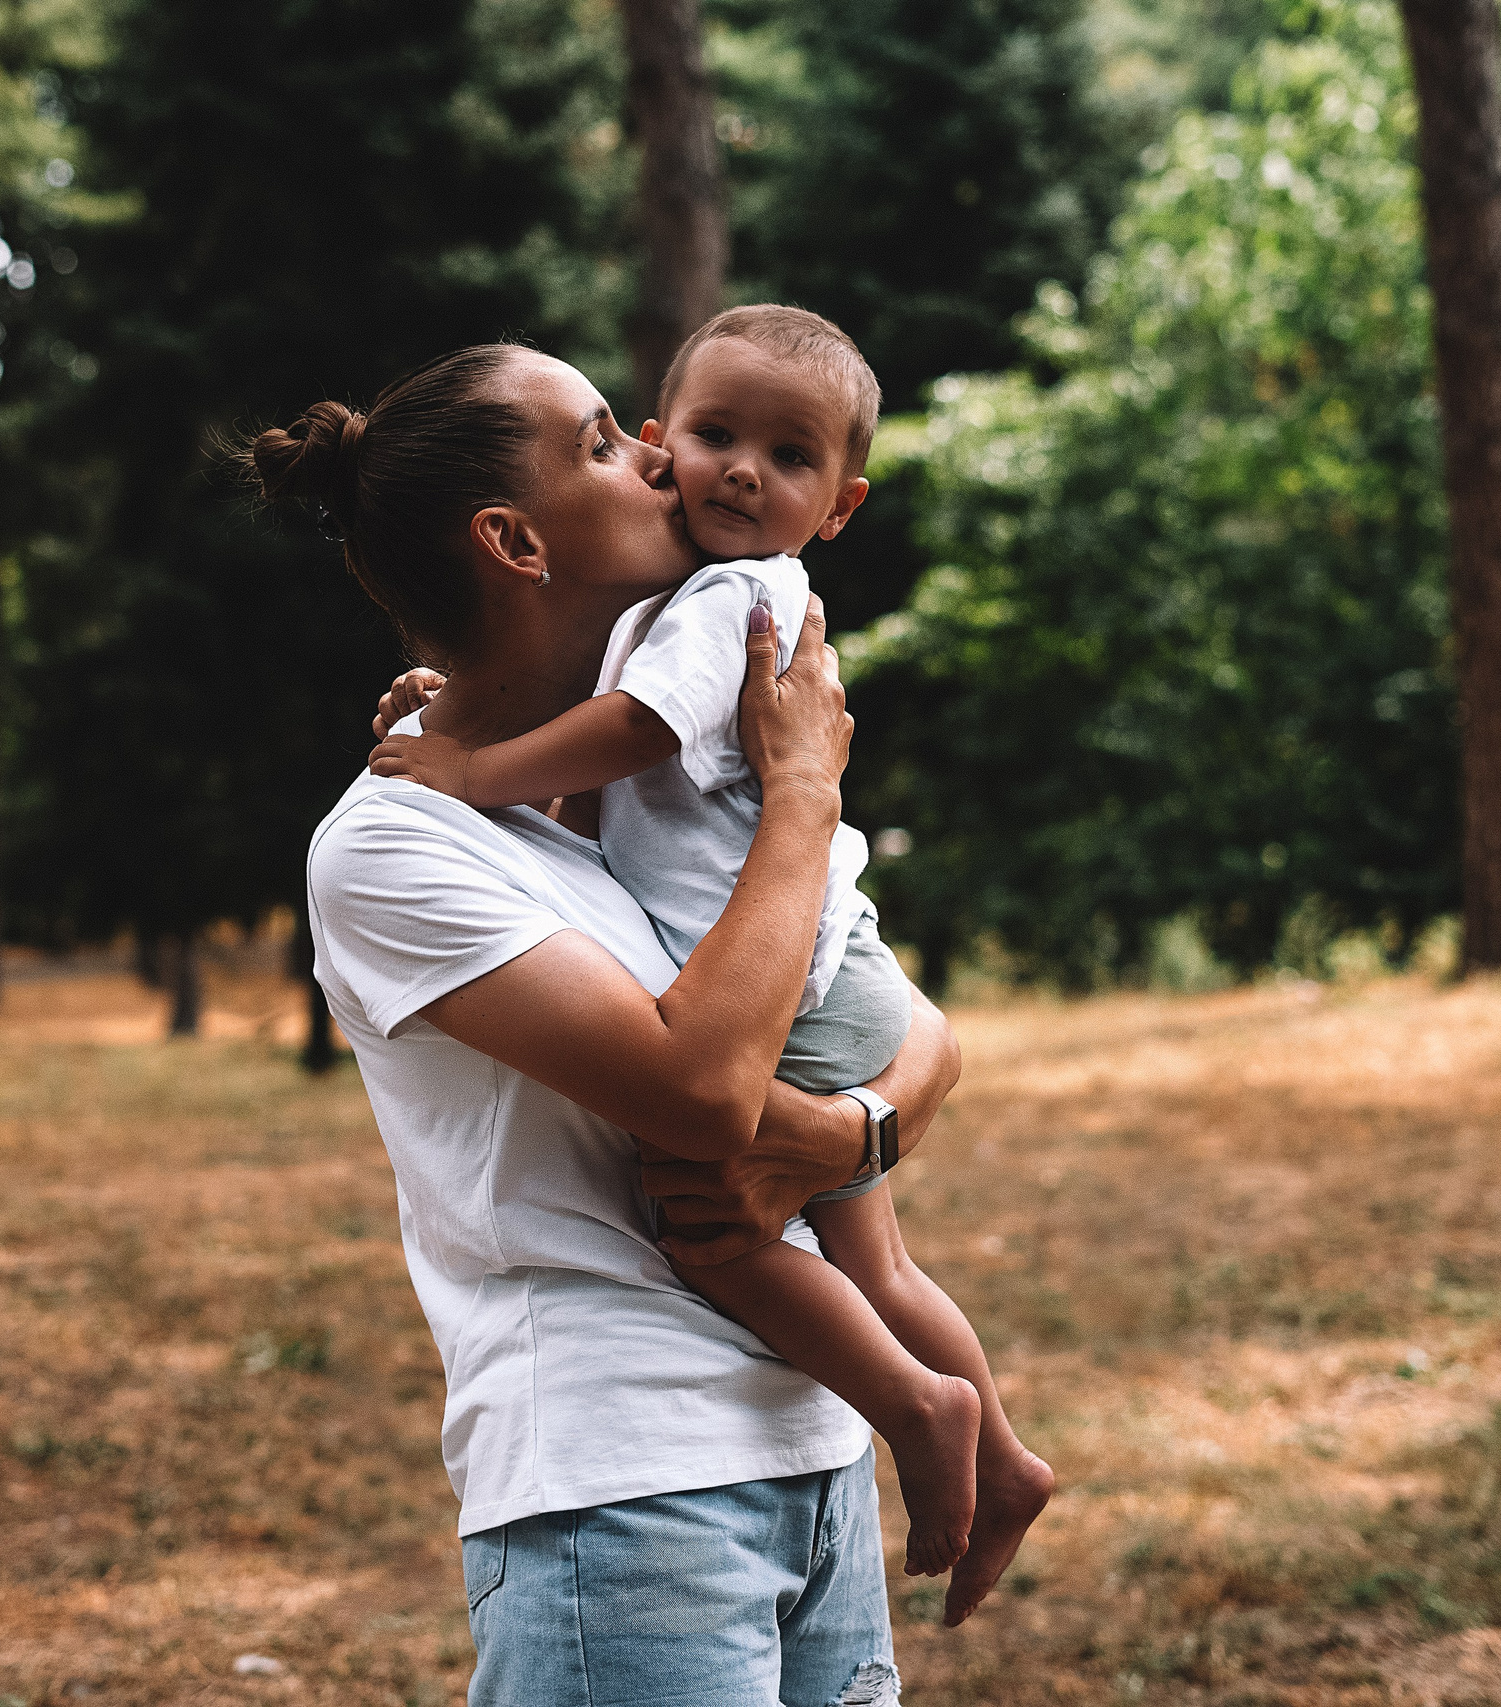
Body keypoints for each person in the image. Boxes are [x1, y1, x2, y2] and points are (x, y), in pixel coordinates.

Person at [256, 342, 959, 1704]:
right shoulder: (398, 843)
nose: (657, 456)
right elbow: (705, 1095)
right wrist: (806, 793)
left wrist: (849, 1136)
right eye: (597, 444)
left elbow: (923, 1035)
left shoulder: (627, 804)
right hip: (628, 1492)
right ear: (516, 543)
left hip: (810, 1450)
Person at [368, 307, 1051, 1612]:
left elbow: (628, 741)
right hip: (822, 969)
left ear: (838, 507)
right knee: (877, 1265)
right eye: (714, 435)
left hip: (793, 991)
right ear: (661, 438)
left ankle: (921, 1409)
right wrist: (448, 708)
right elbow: (601, 794)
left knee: (712, 1225)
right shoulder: (675, 607)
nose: (739, 472)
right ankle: (1004, 1456)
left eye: (789, 457)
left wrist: (468, 768)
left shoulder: (737, 598)